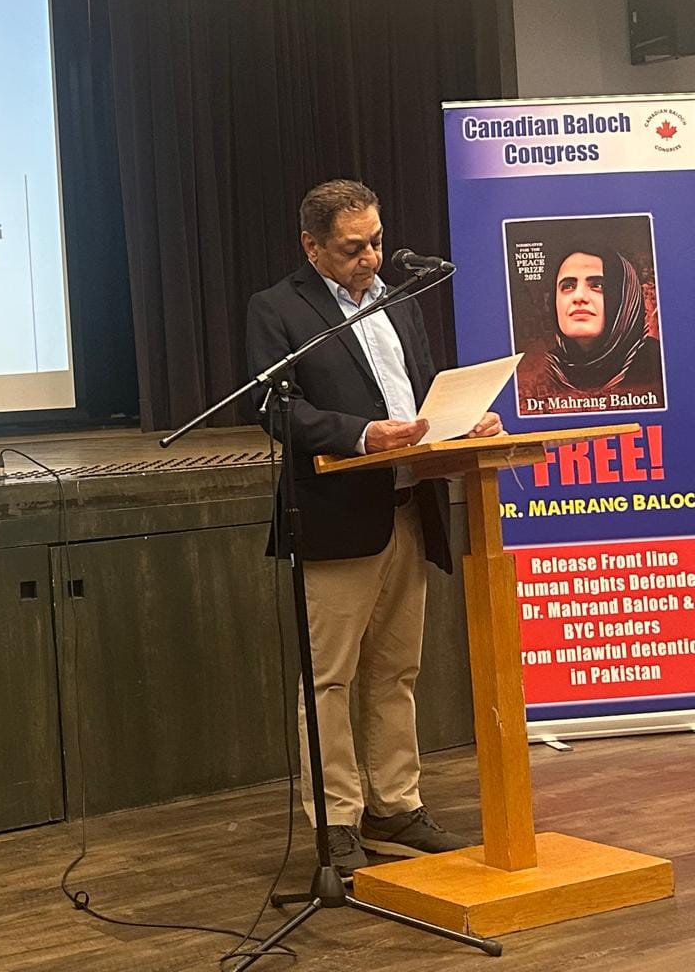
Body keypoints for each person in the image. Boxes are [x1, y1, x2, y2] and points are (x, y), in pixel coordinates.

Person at [245, 179, 502, 875]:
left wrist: (462, 423)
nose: (372, 260)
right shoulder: (278, 309)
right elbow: (279, 412)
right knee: (329, 678)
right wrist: (361, 435)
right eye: (354, 248)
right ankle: (338, 822)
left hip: (408, 509)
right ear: (312, 246)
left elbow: (418, 394)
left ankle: (397, 805)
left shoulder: (396, 301)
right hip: (336, 515)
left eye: (378, 242)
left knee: (398, 670)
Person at [515, 243, 662, 412]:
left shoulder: (660, 365)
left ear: (626, 297)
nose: (578, 297)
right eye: (568, 286)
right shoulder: (535, 373)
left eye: (597, 285)